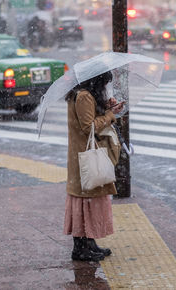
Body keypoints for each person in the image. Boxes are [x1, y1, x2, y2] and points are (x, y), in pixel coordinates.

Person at [63, 71, 124, 261]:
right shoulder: (83, 96)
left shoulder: (84, 95)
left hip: (83, 155)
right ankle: (80, 248)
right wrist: (109, 115)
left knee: (87, 200)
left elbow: (88, 118)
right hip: (85, 157)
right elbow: (88, 127)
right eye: (104, 84)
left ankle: (89, 244)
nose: (105, 88)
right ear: (96, 81)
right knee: (84, 201)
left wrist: (106, 106)